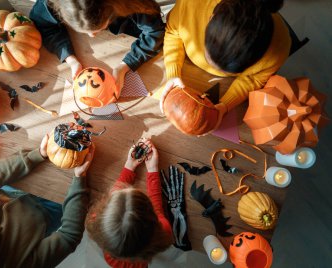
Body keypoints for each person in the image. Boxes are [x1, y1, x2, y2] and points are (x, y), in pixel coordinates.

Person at [0, 135, 94, 268]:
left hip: (17, 190)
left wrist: (38, 154)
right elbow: (68, 236)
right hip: (46, 213)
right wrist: (79, 178)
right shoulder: (17, 263)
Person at [160, 0, 291, 127]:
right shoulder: (192, 3)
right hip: (187, 65)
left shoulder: (280, 48)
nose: (210, 66)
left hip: (226, 85)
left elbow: (252, 79)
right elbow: (173, 32)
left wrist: (225, 106)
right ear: (211, 18)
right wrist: (173, 73)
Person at [29, 0, 165, 90]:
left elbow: (156, 33)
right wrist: (71, 60)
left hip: (131, 30)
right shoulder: (54, 2)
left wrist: (126, 66)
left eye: (97, 30)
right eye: (84, 31)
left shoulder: (134, 4)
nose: (92, 36)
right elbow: (42, 23)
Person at [85, 138, 173, 268]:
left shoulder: (94, 220)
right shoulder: (165, 231)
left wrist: (129, 165)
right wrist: (152, 169)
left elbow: (115, 193)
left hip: (114, 260)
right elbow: (158, 210)